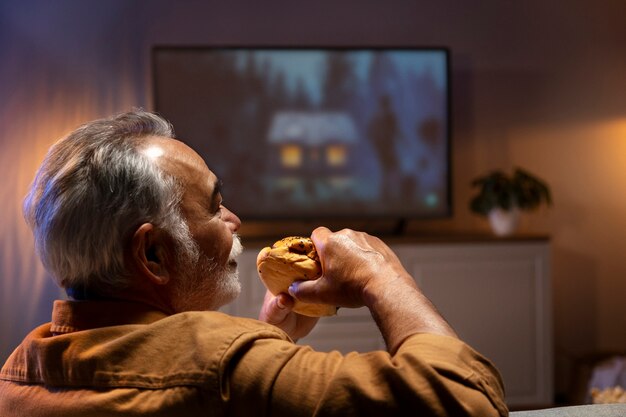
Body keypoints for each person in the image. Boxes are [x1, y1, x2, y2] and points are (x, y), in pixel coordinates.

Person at [0, 110, 508, 416]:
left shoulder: (19, 373)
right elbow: (467, 402)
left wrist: (274, 345)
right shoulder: (227, 367)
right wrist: (382, 272)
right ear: (153, 253)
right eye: (214, 205)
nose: (234, 219)